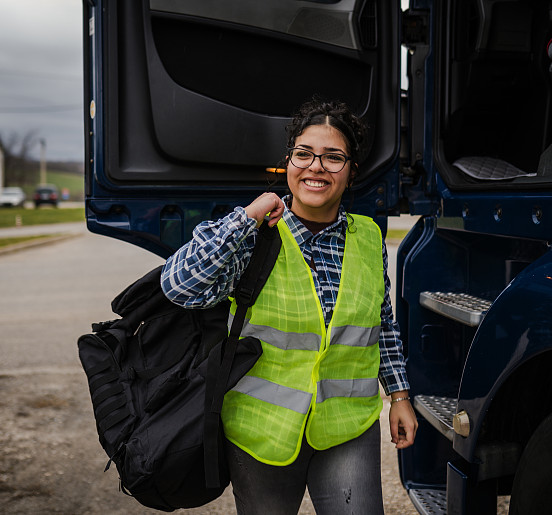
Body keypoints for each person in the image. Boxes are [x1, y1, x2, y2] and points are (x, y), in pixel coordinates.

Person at [161, 98, 417, 514]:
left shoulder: (370, 237)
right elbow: (179, 286)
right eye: (304, 154)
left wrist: (400, 395)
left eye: (333, 157)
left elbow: (382, 323)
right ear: (288, 163)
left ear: (351, 172)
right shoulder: (256, 234)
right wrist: (247, 216)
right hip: (263, 433)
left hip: (346, 426)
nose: (316, 167)